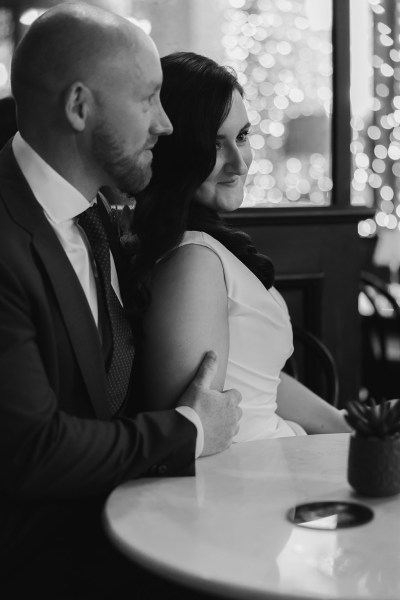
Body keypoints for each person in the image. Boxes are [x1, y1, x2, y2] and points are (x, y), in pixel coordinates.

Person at [0, 6, 242, 599]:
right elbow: (34, 452)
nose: (164, 124)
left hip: (136, 523)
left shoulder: (98, 216)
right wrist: (188, 429)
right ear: (80, 108)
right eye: (148, 99)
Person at [128, 51, 351, 441]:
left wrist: (344, 425)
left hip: (280, 452)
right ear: (175, 150)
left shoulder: (202, 248)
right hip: (249, 479)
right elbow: (193, 437)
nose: (240, 162)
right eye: (214, 144)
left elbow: (256, 378)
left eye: (242, 136)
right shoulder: (193, 262)